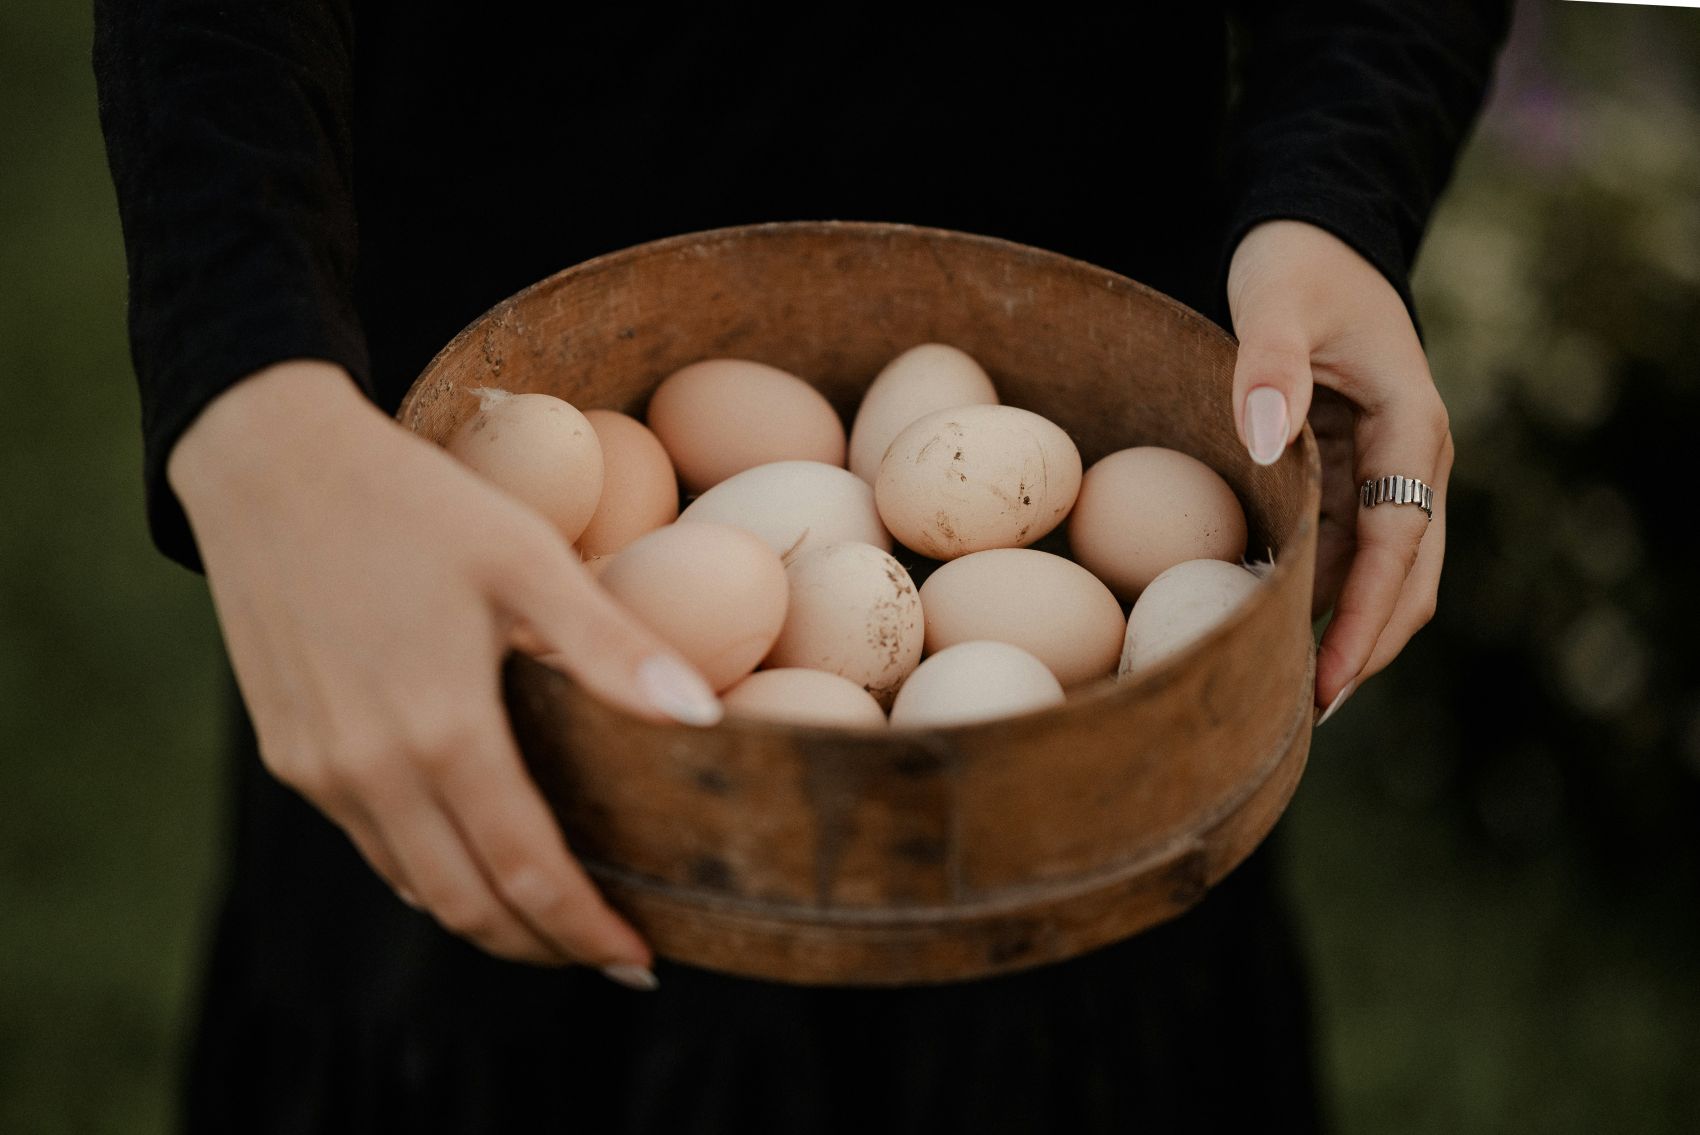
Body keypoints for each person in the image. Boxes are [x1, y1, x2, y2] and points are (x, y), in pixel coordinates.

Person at [94, 3, 1510, 1131]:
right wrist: (250, 379)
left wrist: (1334, 190)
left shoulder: (1076, 547)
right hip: (456, 498)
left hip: (1095, 379)